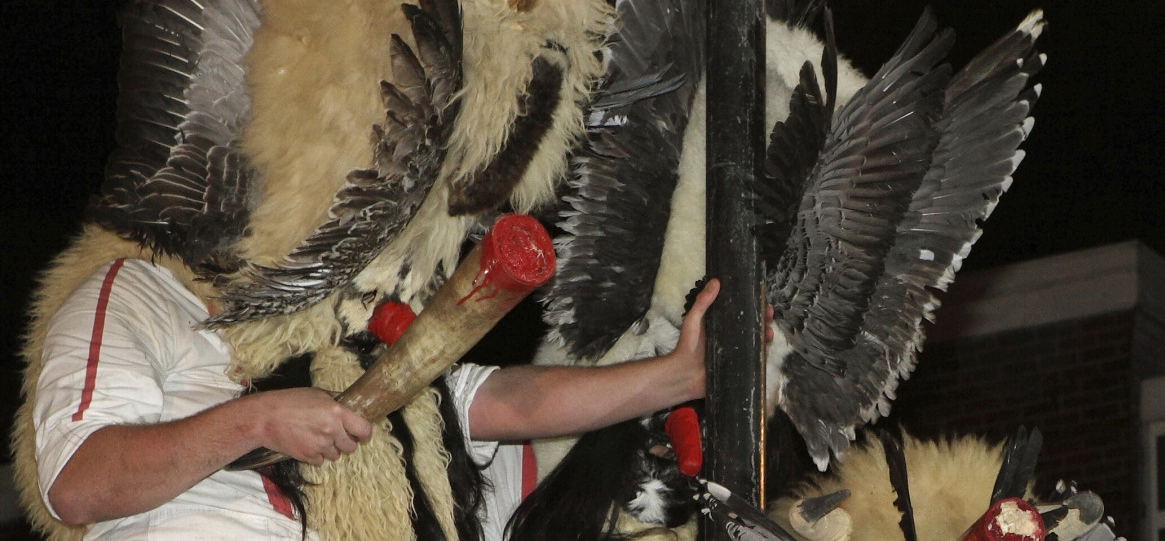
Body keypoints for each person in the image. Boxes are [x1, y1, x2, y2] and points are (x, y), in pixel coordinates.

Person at [32, 257, 723, 539]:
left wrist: (679, 376)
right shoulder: (144, 294)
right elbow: (78, 485)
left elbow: (505, 400)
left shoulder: (351, 327)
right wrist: (258, 418)